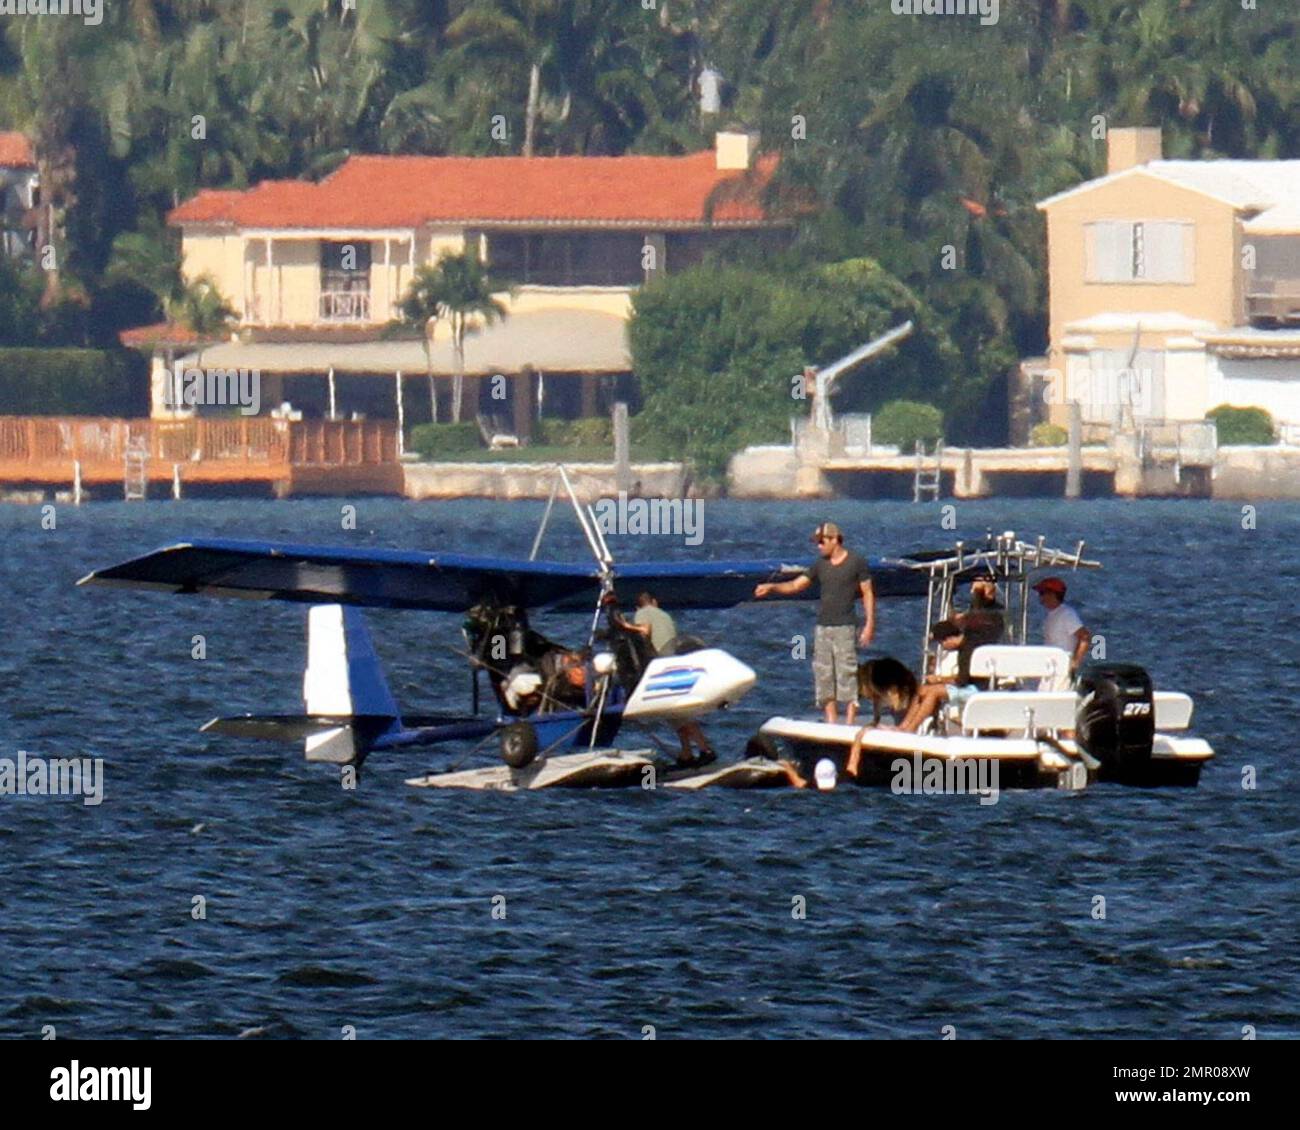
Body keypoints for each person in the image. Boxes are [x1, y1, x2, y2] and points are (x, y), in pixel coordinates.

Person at [753, 521, 875, 724]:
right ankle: (831, 721)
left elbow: (867, 593)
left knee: (847, 672)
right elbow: (796, 585)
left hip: (845, 625)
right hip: (823, 626)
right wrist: (772, 587)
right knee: (823, 674)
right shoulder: (820, 564)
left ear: (835, 540)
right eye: (817, 542)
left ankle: (850, 721)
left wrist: (870, 624)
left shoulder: (856, 562)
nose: (819, 546)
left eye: (822, 541)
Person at [609, 591, 716, 767]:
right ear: (655, 602)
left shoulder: (642, 613)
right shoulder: (666, 615)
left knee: (679, 714)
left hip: (661, 669)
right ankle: (686, 754)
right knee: (673, 713)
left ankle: (705, 750)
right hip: (675, 664)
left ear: (639, 606)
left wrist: (625, 625)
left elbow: (645, 630)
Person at [891, 575, 1005, 736]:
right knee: (921, 690)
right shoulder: (970, 640)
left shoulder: (970, 646)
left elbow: (962, 680)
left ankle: (910, 729)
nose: (943, 647)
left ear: (950, 638)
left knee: (933, 691)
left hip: (975, 690)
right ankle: (903, 726)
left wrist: (938, 679)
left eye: (942, 643)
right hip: (970, 686)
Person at [1032, 576, 1090, 688]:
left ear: (1052, 594)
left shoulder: (1067, 614)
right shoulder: (1052, 615)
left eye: (1042, 593)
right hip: (1050, 668)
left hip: (1062, 669)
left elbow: (1085, 636)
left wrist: (1075, 663)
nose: (1040, 597)